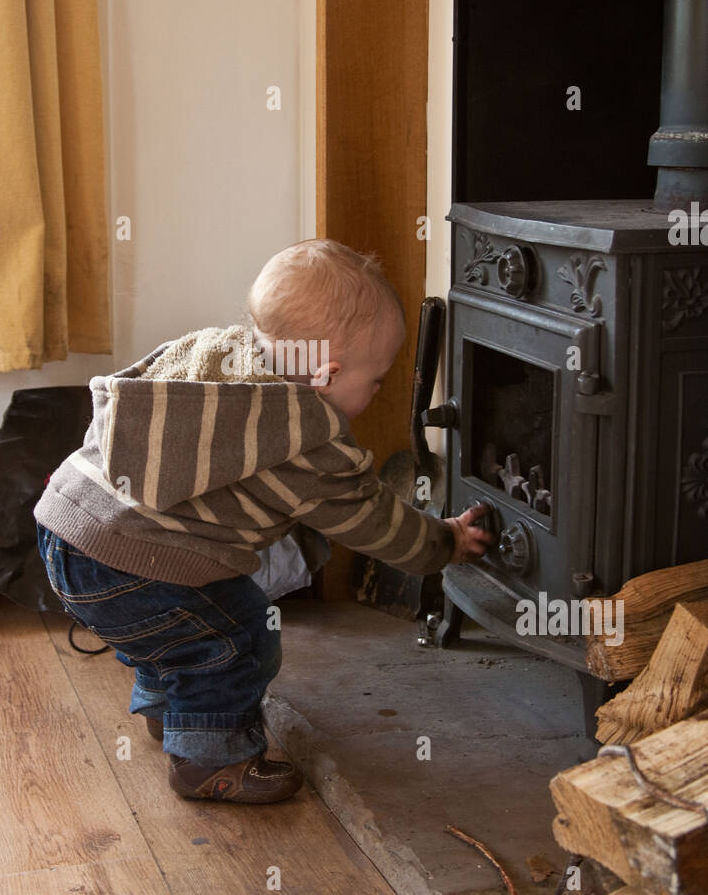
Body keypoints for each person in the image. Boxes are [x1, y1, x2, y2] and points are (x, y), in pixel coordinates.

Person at [34, 239, 491, 804]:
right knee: (241, 636)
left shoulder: (217, 352)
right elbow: (372, 521)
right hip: (136, 564)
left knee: (181, 630)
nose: (377, 392)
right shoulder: (308, 438)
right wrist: (444, 541)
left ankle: (174, 713)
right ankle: (211, 761)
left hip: (66, 524)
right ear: (326, 373)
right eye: (375, 380)